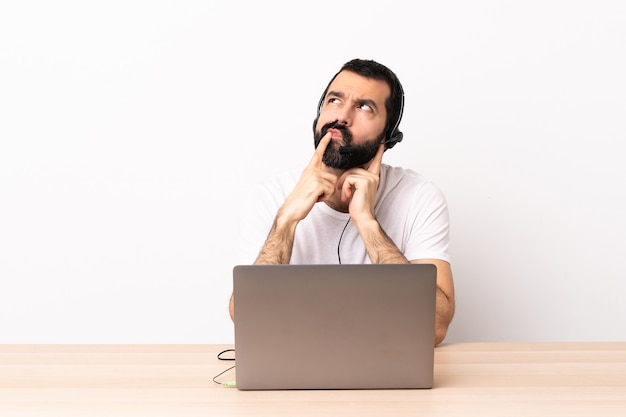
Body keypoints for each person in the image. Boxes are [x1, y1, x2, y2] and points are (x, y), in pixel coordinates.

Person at [229, 58, 455, 346]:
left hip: (388, 367)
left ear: (388, 135)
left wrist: (368, 223)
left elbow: (434, 327)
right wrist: (285, 221)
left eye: (364, 107)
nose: (342, 117)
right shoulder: (271, 195)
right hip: (294, 372)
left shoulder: (419, 196)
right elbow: (247, 319)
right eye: (334, 100)